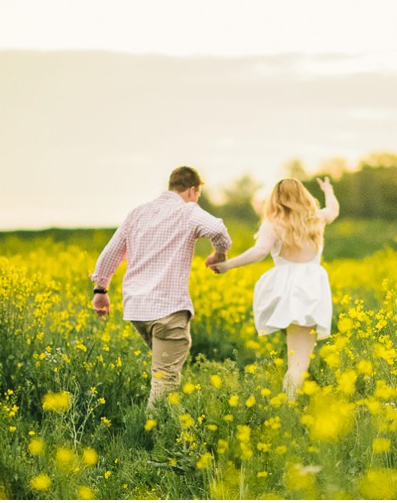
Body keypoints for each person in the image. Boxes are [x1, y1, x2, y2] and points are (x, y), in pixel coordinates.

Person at [90, 166, 231, 409]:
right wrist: (219, 254)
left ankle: (172, 422)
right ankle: (150, 434)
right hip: (168, 310)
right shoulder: (188, 211)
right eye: (197, 195)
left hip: (138, 311)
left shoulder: (138, 213)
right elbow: (218, 229)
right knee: (165, 380)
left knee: (165, 371)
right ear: (191, 190)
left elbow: (111, 252)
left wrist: (100, 291)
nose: (196, 199)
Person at [210, 177, 339, 398]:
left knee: (295, 356)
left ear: (276, 198)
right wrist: (328, 190)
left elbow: (260, 251)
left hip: (286, 291)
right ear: (303, 195)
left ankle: (288, 403)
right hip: (311, 291)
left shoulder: (273, 223)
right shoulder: (316, 219)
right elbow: (333, 210)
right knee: (299, 359)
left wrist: (229, 265)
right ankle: (289, 404)